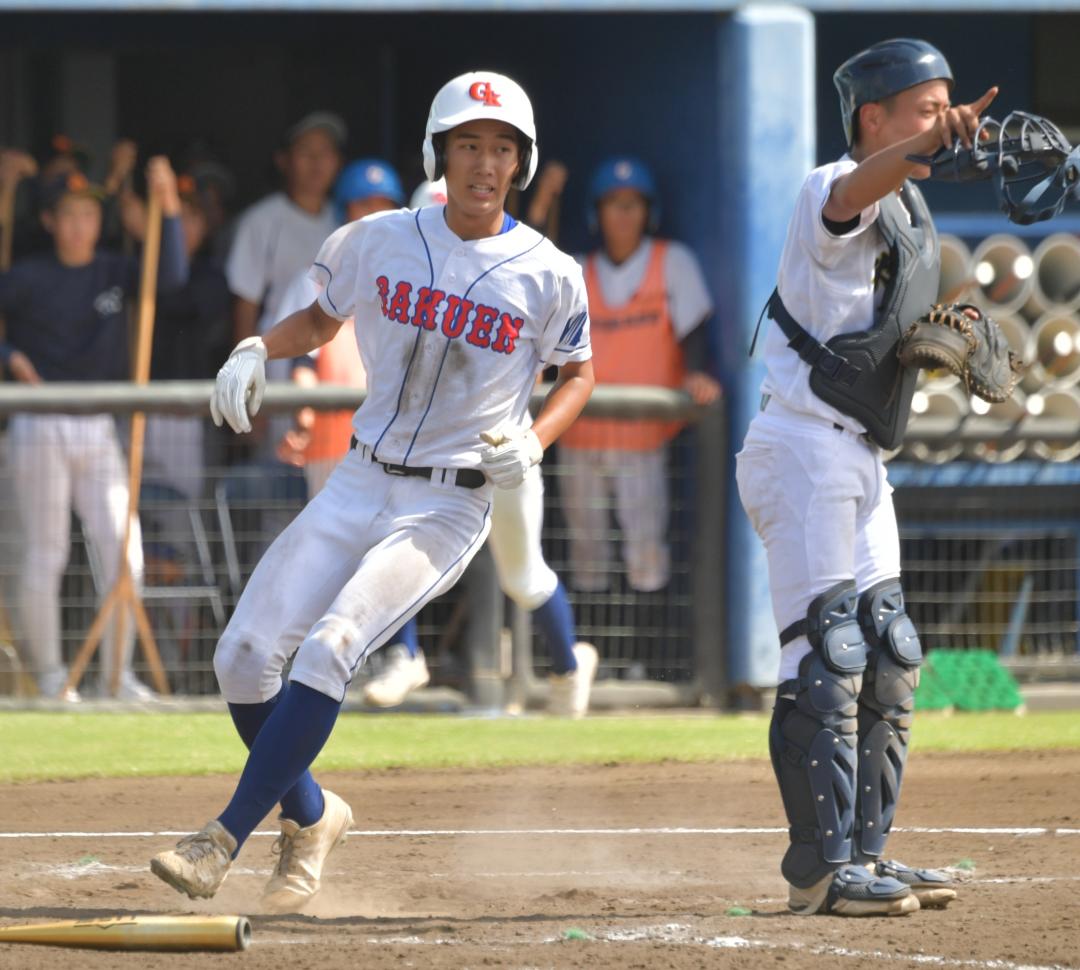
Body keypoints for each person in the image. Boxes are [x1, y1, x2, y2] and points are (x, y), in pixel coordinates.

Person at [150, 70, 595, 913]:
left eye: (503, 149)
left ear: (522, 164)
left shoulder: (550, 272)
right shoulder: (378, 237)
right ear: (439, 153)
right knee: (241, 660)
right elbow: (320, 319)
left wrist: (533, 442)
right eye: (469, 145)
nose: (486, 163)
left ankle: (223, 837)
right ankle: (312, 817)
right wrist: (256, 345)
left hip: (450, 500)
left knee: (328, 648)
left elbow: (579, 373)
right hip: (359, 475)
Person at [735, 38, 996, 917]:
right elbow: (855, 193)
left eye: (947, 106)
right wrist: (921, 147)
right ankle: (820, 866)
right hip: (802, 446)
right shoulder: (831, 184)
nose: (944, 122)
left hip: (859, 455)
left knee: (889, 650)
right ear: (872, 119)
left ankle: (867, 852)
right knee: (826, 653)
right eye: (925, 109)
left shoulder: (912, 206)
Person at [360, 177, 598, 716]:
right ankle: (405, 656)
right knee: (389, 543)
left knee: (523, 577)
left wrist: (531, 439)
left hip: (499, 455)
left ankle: (567, 666)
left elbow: (565, 369)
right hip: (426, 458)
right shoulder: (406, 278)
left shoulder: (517, 275)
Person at [0, 158, 187, 701]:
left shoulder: (112, 269)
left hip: (100, 422)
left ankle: (116, 677)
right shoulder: (27, 275)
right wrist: (9, 355)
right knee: (46, 552)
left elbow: (169, 280)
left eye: (89, 213)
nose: (81, 223)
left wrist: (169, 205)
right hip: (40, 419)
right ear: (52, 221)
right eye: (70, 214)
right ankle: (54, 677)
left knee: (124, 549)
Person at [555, 157, 720, 593]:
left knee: (645, 551)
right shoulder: (575, 269)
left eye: (634, 204)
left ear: (649, 211)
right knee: (586, 552)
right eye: (614, 204)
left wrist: (695, 373)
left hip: (641, 440)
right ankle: (591, 654)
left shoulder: (672, 261)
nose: (624, 214)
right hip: (581, 437)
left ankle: (641, 663)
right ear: (597, 212)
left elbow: (694, 335)